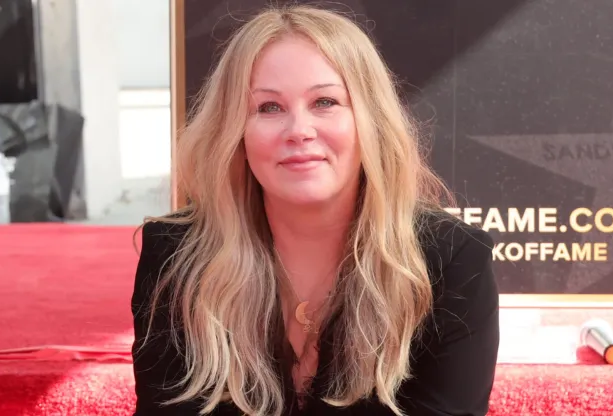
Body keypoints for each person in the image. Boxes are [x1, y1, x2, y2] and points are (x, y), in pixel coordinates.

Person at [131, 5, 499, 416]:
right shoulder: (176, 256)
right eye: (269, 108)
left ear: (369, 121)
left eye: (325, 101)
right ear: (234, 131)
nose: (299, 131)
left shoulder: (451, 260)